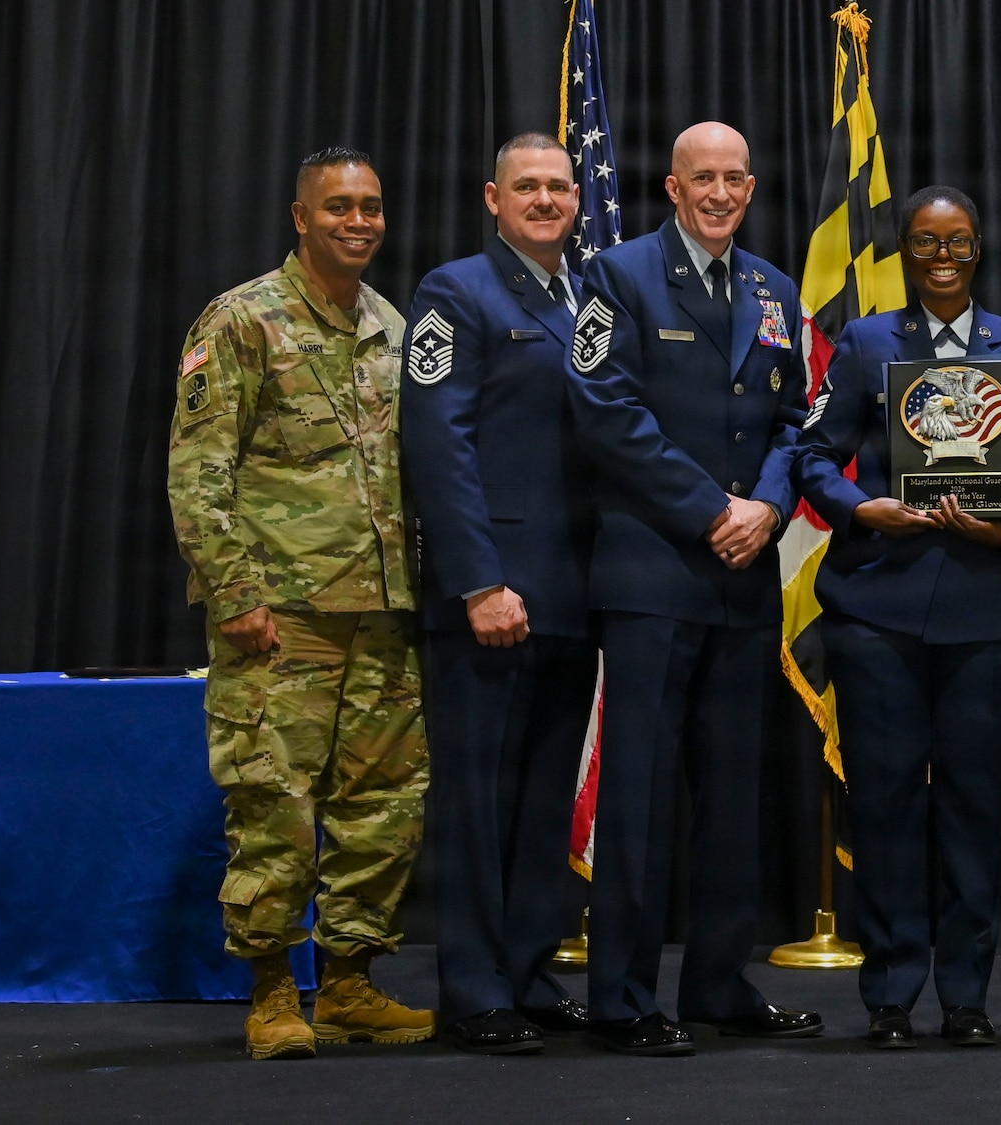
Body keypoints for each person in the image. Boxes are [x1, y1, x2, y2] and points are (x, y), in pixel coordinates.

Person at [166, 147, 432, 1060]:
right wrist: (235, 591)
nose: (357, 221)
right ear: (300, 215)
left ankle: (352, 982)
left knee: (384, 805)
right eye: (338, 207)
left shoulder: (396, 328)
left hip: (385, 612)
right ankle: (275, 989)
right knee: (275, 807)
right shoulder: (242, 320)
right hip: (282, 614)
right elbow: (199, 470)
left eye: (371, 207)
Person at [563, 121, 821, 1056]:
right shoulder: (617, 277)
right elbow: (604, 412)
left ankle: (717, 983)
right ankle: (623, 998)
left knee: (731, 795)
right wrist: (711, 506)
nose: (718, 193)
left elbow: (801, 419)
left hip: (746, 576)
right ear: (671, 189)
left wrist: (767, 505)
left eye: (734, 180)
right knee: (635, 797)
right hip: (654, 574)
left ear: (750, 189)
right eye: (700, 179)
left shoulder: (773, 290)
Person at [793, 186, 1001, 1050]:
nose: (941, 255)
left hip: (988, 615)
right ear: (904, 251)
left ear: (979, 249)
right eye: (923, 242)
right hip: (877, 611)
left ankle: (966, 996)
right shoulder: (870, 340)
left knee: (975, 810)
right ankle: (890, 995)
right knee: (883, 806)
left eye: (956, 241)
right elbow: (809, 456)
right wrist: (859, 506)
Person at [401, 133, 598, 1054]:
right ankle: (473, 987)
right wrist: (479, 580)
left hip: (573, 592)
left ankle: (526, 968)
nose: (547, 199)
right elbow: (439, 449)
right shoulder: (455, 294)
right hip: (492, 594)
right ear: (493, 196)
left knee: (541, 795)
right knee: (477, 799)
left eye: (560, 186)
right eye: (529, 187)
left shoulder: (591, 296)